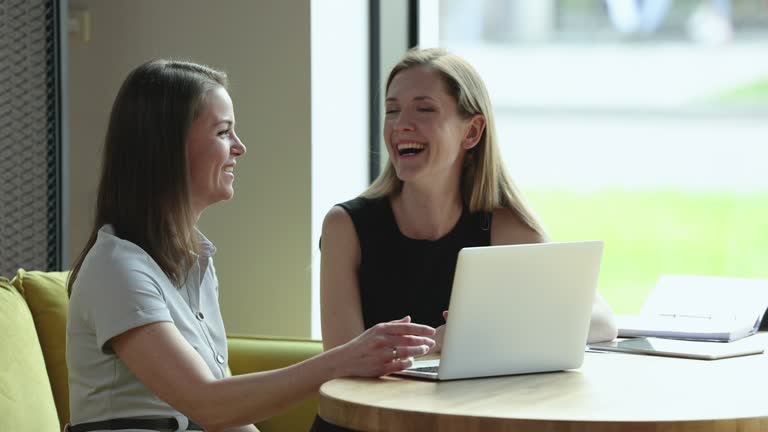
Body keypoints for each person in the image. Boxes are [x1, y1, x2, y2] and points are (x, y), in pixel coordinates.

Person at [65, 59, 436, 432]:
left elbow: (226, 411)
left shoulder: (194, 263)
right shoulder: (116, 269)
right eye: (223, 132)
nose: (239, 148)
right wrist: (344, 359)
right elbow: (210, 405)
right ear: (167, 145)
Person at [311, 48, 618, 430]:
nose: (401, 125)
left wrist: (479, 335)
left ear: (471, 132)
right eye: (392, 110)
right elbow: (341, 370)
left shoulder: (504, 226)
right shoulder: (345, 226)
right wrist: (436, 346)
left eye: (423, 110)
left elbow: (601, 321)